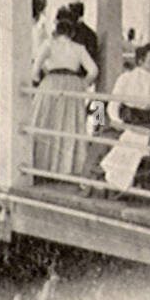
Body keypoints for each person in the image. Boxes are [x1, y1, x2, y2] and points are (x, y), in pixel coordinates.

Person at [29, 13, 98, 185]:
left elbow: (35, 69)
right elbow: (94, 71)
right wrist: (83, 84)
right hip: (73, 85)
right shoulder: (79, 48)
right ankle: (67, 168)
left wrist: (38, 79)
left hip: (52, 83)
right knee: (70, 124)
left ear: (56, 31)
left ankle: (43, 166)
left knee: (45, 121)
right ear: (72, 33)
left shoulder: (48, 44)